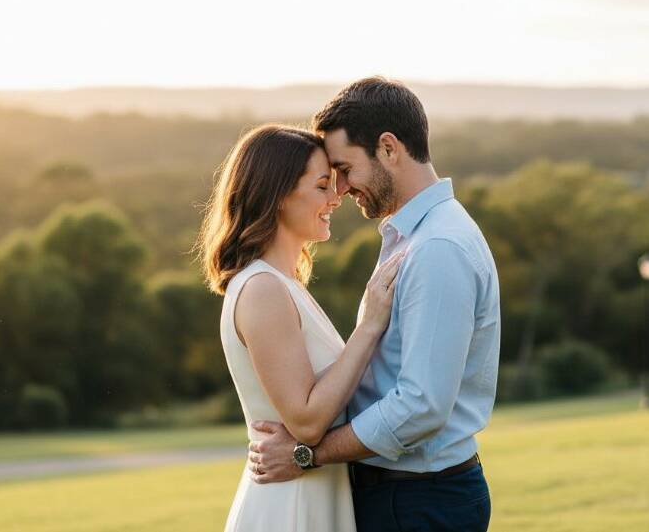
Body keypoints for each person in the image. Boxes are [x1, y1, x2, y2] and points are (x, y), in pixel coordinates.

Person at [248, 77, 501, 532]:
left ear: (388, 148)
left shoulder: (437, 247)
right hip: (403, 495)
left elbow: (421, 406)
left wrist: (309, 454)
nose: (340, 189)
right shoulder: (412, 236)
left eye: (344, 169)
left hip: (418, 501)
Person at [198, 123, 405, 531]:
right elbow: (306, 421)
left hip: (312, 493)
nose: (336, 197)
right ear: (277, 196)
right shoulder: (262, 290)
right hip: (289, 505)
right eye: (322, 186)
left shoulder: (284, 285)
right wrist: (369, 326)